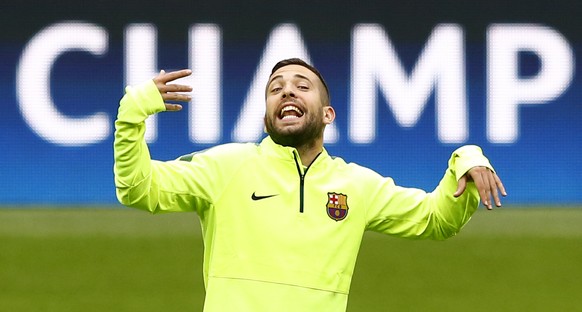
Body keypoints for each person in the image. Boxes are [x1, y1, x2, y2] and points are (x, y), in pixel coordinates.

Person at [114, 58, 506, 311]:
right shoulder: (225, 167)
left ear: (328, 113)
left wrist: (465, 161)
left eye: (302, 86)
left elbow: (436, 219)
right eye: (275, 88)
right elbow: (137, 188)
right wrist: (132, 116)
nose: (286, 90)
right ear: (267, 119)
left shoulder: (356, 185)